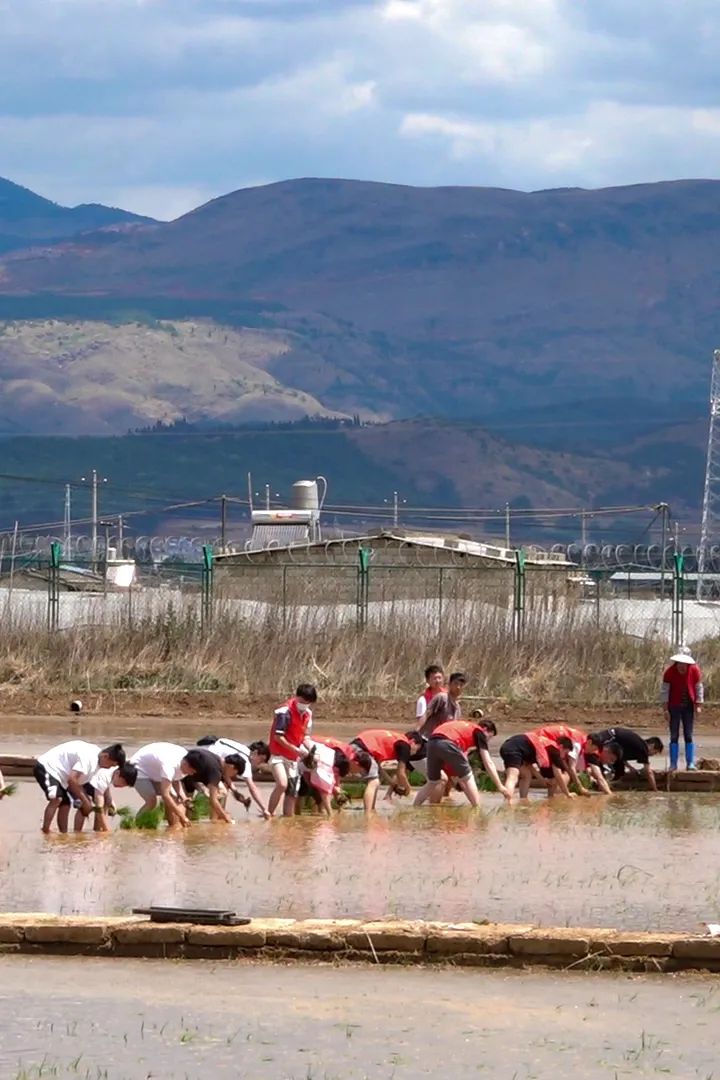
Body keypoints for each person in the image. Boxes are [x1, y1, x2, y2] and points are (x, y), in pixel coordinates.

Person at [33, 740, 127, 834]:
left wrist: (88, 801)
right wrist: (85, 801)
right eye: (110, 765)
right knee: (57, 798)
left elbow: (83, 784)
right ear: (105, 756)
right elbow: (72, 780)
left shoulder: (98, 761)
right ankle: (46, 831)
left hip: (63, 776)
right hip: (48, 767)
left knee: (65, 805)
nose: (109, 768)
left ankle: (63, 834)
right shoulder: (89, 759)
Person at [125, 743, 224, 828]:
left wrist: (184, 797)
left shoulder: (185, 761)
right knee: (151, 801)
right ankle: (134, 825)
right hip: (138, 770)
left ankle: (173, 827)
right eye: (192, 771)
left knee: (176, 799)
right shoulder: (169, 766)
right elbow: (165, 794)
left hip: (156, 772)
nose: (191, 774)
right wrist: (182, 816)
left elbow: (176, 780)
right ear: (187, 764)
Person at [414, 718, 506, 807]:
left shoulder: (463, 728)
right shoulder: (479, 732)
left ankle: (416, 806)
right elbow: (488, 762)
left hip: (431, 743)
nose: (487, 741)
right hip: (447, 742)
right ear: (485, 729)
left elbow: (460, 763)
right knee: (468, 776)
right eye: (489, 737)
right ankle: (477, 808)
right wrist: (500, 786)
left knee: (433, 782)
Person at [268, 683, 317, 817]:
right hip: (278, 754)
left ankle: (288, 822)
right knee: (282, 784)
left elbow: (305, 736)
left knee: (292, 791)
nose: (304, 704)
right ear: (296, 697)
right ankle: (269, 814)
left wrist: (312, 749)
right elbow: (278, 737)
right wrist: (296, 750)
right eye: (302, 701)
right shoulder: (284, 711)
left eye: (308, 702)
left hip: (293, 758)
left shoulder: (307, 714)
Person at [196, 736, 272, 819]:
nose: (259, 764)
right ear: (255, 753)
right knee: (221, 791)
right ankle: (215, 819)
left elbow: (225, 775)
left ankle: (218, 815)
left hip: (198, 754)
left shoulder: (242, 749)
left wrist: (238, 795)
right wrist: (264, 809)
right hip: (202, 761)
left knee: (224, 787)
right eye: (261, 760)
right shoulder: (245, 759)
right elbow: (252, 788)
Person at [499, 731, 575, 803]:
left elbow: (530, 766)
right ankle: (507, 803)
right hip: (515, 749)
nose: (564, 756)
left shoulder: (545, 745)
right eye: (565, 752)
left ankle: (523, 800)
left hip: (507, 746)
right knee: (513, 776)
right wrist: (567, 793)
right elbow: (558, 775)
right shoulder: (554, 750)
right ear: (561, 747)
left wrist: (543, 780)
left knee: (526, 775)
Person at [351, 728, 426, 797]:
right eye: (417, 748)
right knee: (374, 781)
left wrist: (393, 785)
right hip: (363, 748)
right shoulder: (405, 745)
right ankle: (370, 810)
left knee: (373, 778)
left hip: (355, 745)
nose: (415, 752)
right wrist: (409, 790)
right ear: (412, 741)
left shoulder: (395, 740)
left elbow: (379, 769)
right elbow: (401, 773)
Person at [662, 649, 704, 770]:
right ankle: (673, 764)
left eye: (684, 664)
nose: (681, 666)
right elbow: (665, 691)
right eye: (679, 663)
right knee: (674, 735)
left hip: (688, 706)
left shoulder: (694, 670)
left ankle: (690, 763)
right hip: (674, 706)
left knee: (688, 735)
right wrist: (665, 709)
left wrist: (699, 704)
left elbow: (698, 687)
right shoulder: (669, 672)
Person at [585, 728, 663, 792]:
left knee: (617, 769)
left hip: (611, 738)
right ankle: (594, 780)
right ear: (652, 746)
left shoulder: (636, 746)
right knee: (592, 755)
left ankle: (599, 783)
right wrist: (655, 790)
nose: (653, 755)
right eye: (655, 752)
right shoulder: (643, 748)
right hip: (610, 737)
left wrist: (630, 768)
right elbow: (649, 772)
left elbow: (621, 758)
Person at [312, 736, 378, 812]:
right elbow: (325, 780)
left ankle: (318, 811)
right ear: (356, 764)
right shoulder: (342, 758)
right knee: (321, 789)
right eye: (359, 771)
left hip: (319, 755)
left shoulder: (348, 760)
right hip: (312, 747)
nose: (358, 774)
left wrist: (340, 805)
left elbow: (336, 780)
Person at [528, 723, 593, 797]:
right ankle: (553, 795)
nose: (592, 752)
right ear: (590, 742)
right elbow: (570, 768)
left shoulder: (577, 739)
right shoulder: (577, 744)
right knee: (558, 777)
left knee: (552, 777)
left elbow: (566, 765)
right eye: (594, 749)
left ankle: (550, 796)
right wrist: (580, 787)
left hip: (535, 738)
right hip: (539, 740)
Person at [415, 672, 466, 739]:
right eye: (455, 684)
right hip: (428, 738)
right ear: (449, 684)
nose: (458, 687)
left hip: (443, 741)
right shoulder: (442, 698)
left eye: (461, 685)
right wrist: (416, 732)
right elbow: (427, 713)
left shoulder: (457, 708)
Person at [74, 766, 119, 833]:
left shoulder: (113, 769)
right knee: (84, 805)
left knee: (105, 802)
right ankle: (77, 832)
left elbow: (106, 788)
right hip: (86, 779)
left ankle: (98, 831)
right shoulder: (110, 771)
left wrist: (111, 801)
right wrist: (106, 831)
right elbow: (99, 805)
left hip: (96, 780)